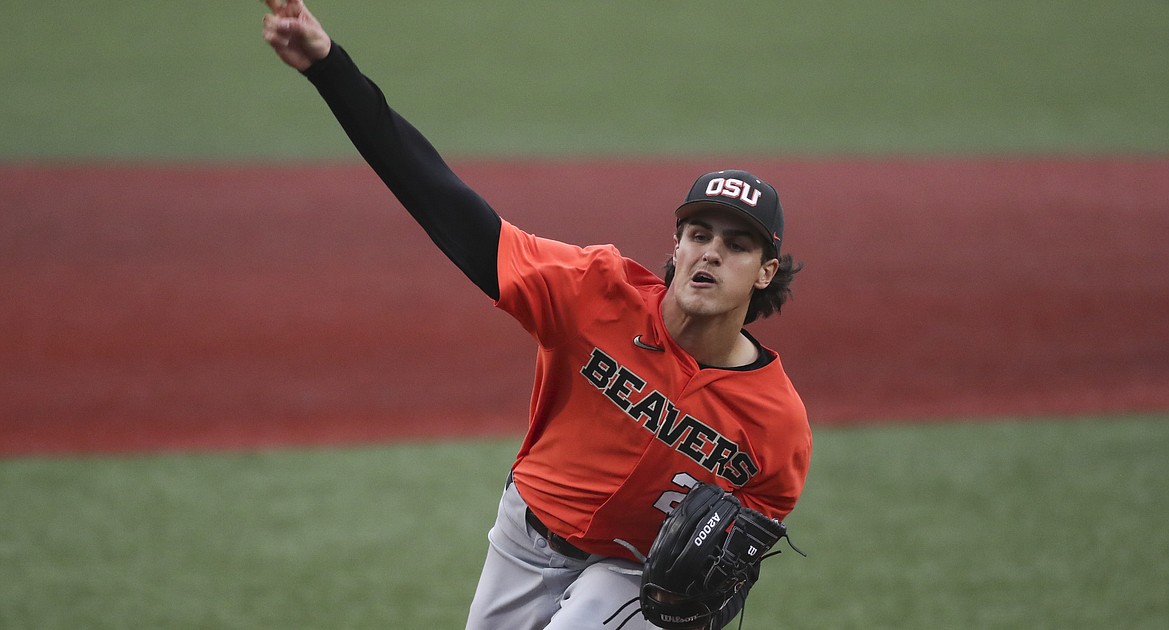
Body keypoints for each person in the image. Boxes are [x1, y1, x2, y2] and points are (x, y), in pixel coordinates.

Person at [260, 1, 812, 628]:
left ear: (765, 272)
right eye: (699, 234)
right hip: (525, 535)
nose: (711, 252)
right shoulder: (592, 293)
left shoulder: (776, 423)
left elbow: (754, 531)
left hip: (632, 575)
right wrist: (331, 69)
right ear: (676, 247)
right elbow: (446, 203)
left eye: (737, 245)